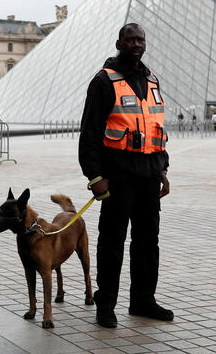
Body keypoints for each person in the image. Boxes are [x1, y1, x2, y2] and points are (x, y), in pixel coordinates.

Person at [79, 23, 173, 328]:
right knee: (112, 242)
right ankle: (105, 304)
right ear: (119, 42)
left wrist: (163, 169)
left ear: (145, 44)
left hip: (148, 176)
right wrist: (95, 177)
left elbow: (156, 128)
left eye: (140, 39)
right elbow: (89, 134)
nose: (136, 44)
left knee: (148, 241)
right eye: (130, 39)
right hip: (117, 177)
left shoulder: (152, 79)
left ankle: (143, 300)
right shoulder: (104, 81)